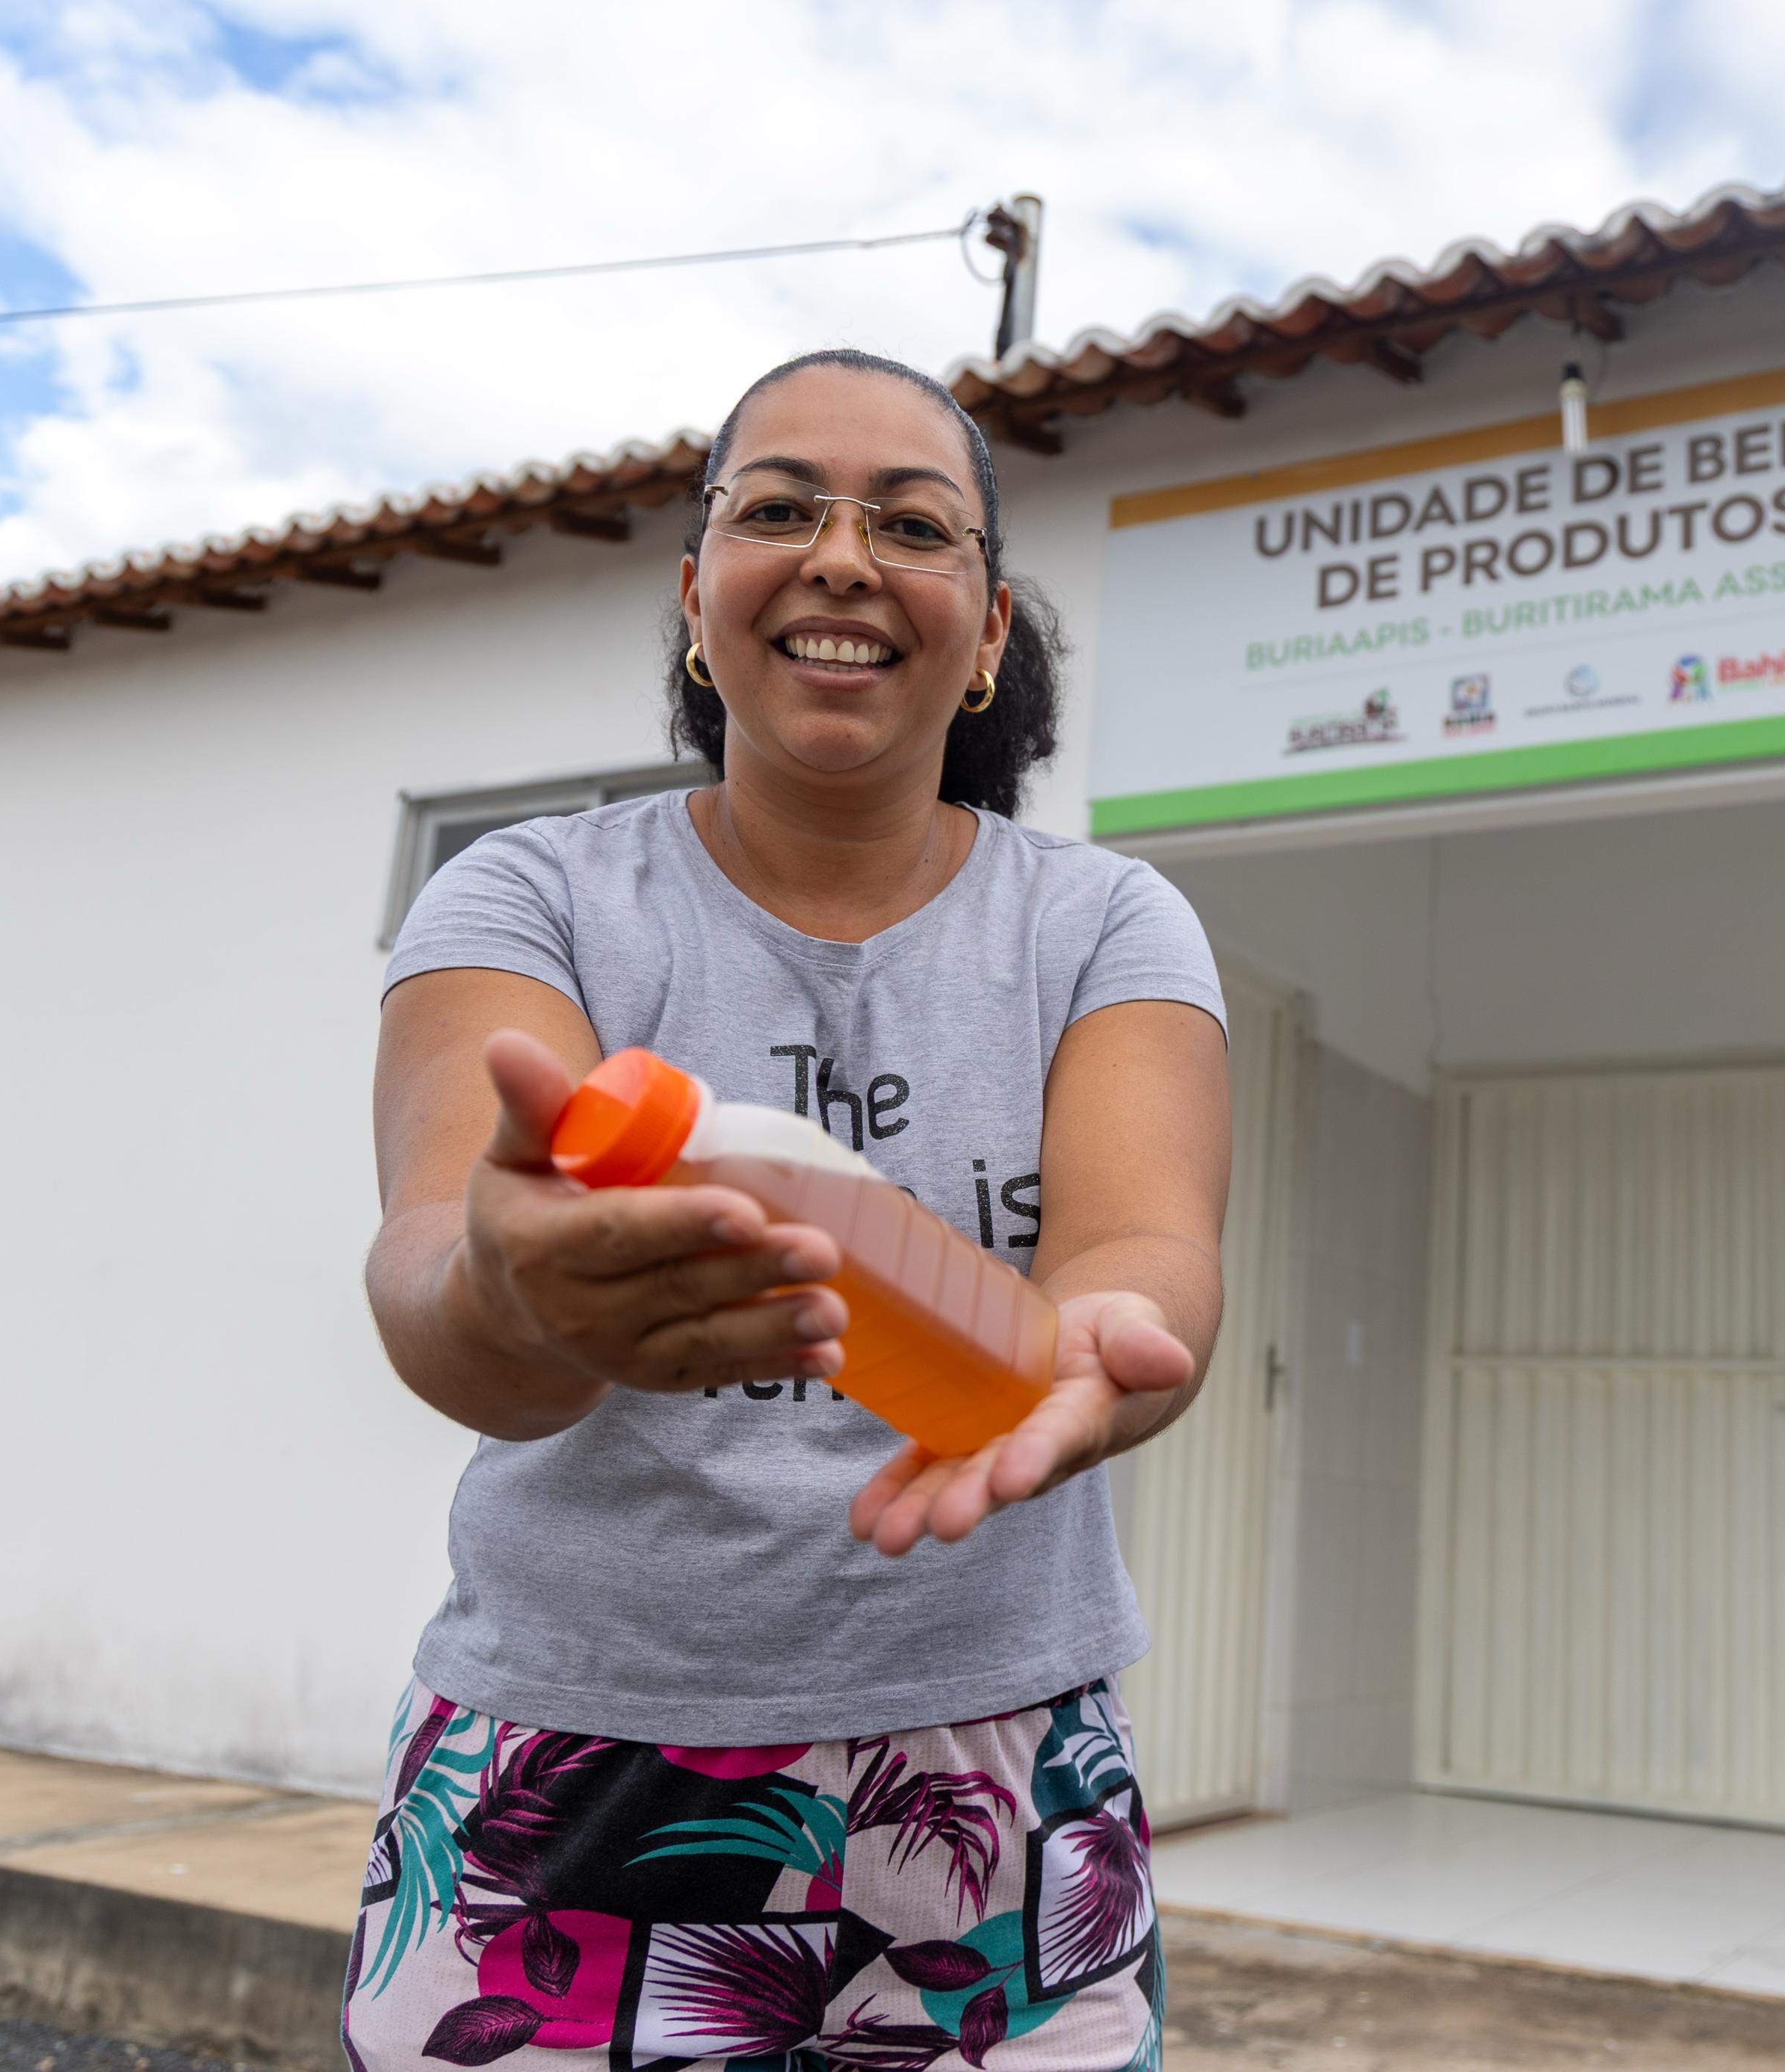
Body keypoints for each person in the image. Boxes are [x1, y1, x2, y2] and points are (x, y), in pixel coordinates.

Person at [342, 348, 1230, 2072]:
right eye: (778, 508)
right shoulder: (526, 895)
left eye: (915, 524)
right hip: (567, 1767)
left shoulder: (1106, 924)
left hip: (999, 1775)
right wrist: (519, 1303)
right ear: (697, 597)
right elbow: (436, 1274)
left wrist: (1096, 1354)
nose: (840, 556)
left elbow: (1144, 1247)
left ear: (984, 636)